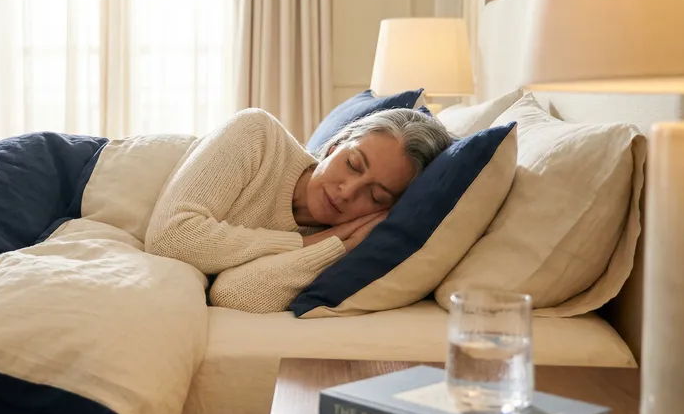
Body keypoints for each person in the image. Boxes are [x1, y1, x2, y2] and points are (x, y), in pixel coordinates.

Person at [145, 107, 453, 313]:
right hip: (100, 172)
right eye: (353, 164)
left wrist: (337, 246)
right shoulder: (258, 134)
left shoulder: (343, 242)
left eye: (374, 196)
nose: (347, 191)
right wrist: (303, 244)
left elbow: (232, 295)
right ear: (335, 146)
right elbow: (169, 238)